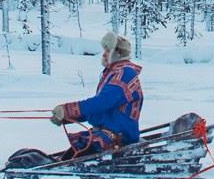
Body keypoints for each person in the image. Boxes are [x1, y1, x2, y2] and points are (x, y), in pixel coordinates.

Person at [47, 32, 144, 160]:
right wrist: (67, 116)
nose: (104, 54)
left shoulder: (124, 73)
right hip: (107, 133)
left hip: (118, 136)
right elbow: (100, 110)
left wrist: (67, 110)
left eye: (108, 51)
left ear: (118, 54)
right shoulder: (114, 72)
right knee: (67, 158)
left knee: (66, 162)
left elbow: (102, 103)